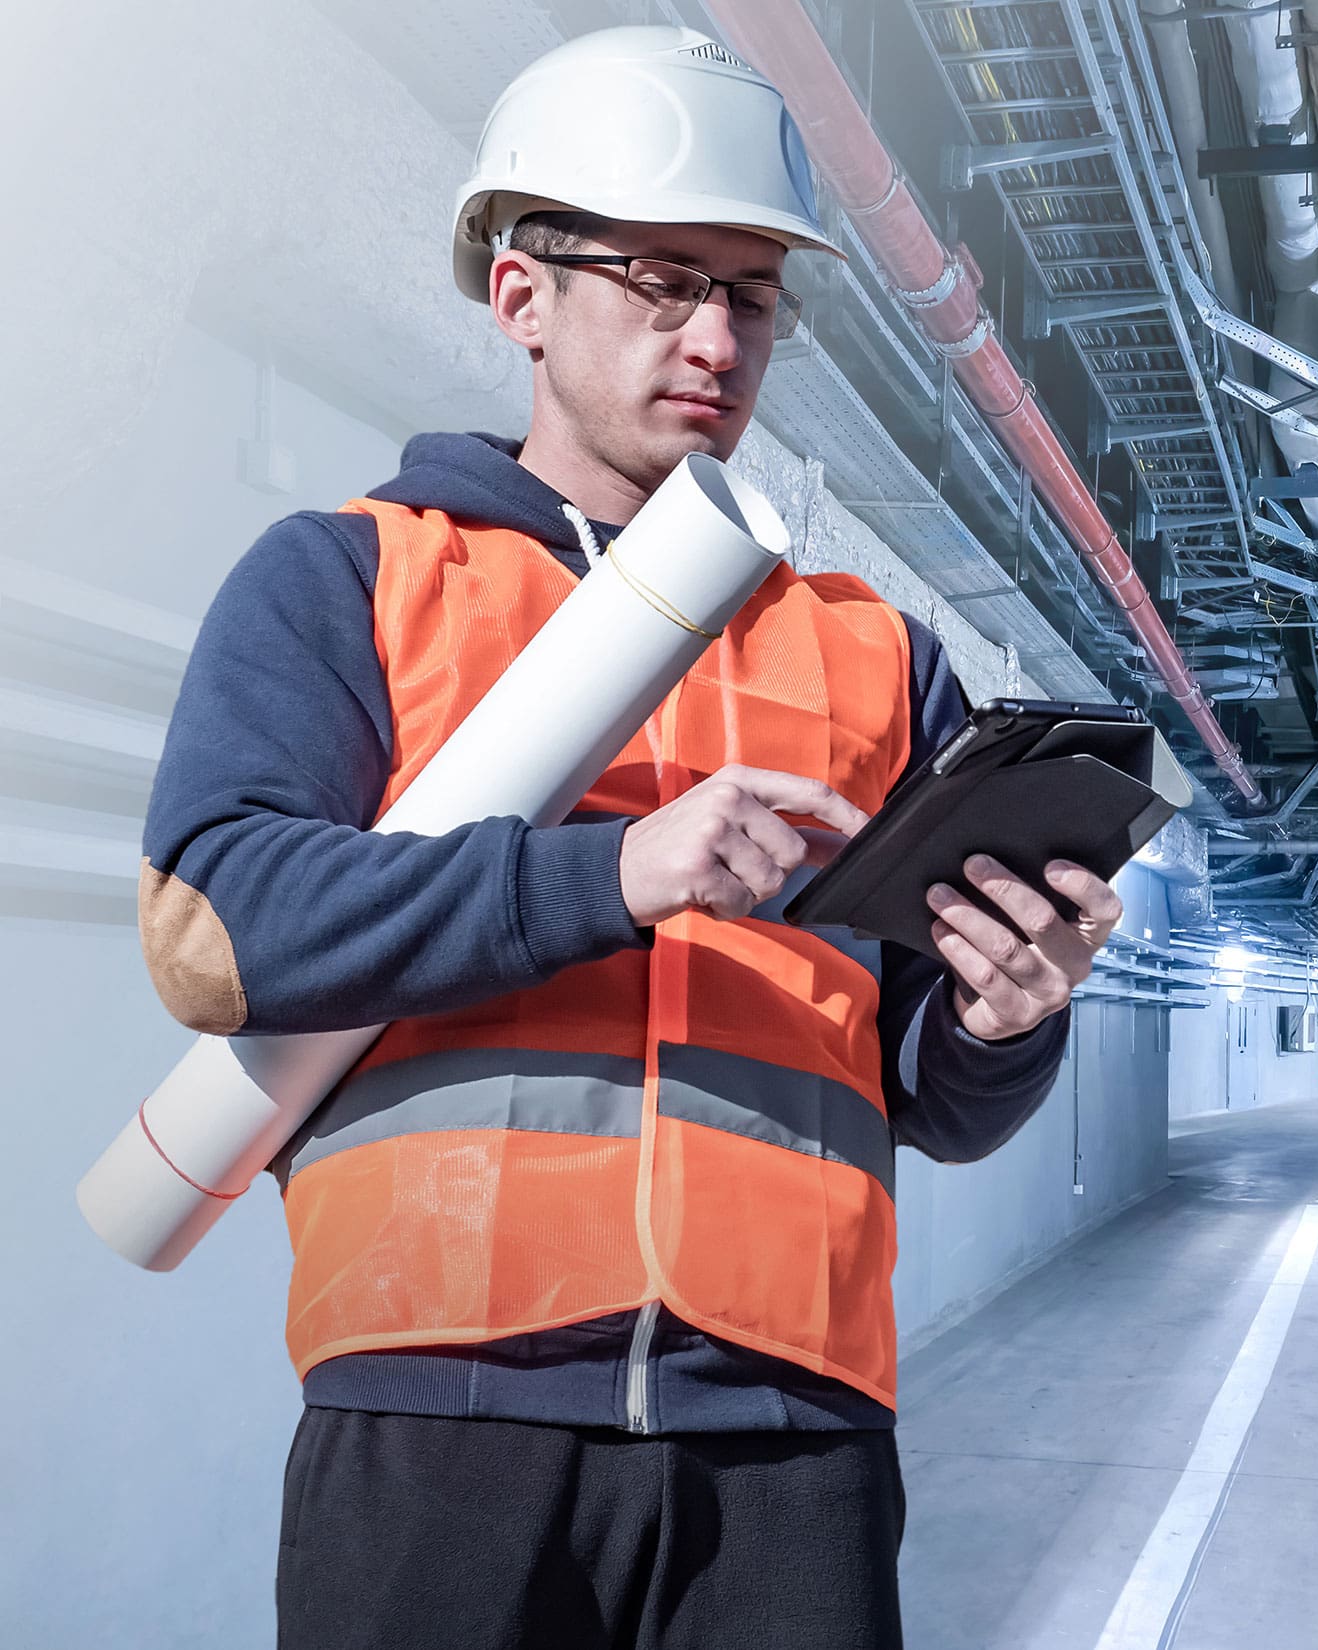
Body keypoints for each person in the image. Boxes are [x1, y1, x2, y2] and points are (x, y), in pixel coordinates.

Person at [136, 26, 1119, 1649]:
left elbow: (928, 1093)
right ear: (522, 293)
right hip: (445, 1418)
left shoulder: (879, 655)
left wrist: (1014, 1017)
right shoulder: (354, 580)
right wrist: (616, 872)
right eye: (664, 279)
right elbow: (217, 925)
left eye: (750, 292)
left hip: (791, 1442)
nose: (718, 336)